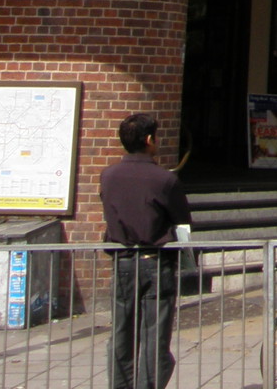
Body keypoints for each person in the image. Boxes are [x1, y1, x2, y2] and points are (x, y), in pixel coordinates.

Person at [100, 113, 192, 389]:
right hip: (156, 261)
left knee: (121, 332)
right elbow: (182, 220)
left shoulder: (109, 176)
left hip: (123, 259)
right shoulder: (164, 179)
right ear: (150, 140)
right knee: (155, 334)